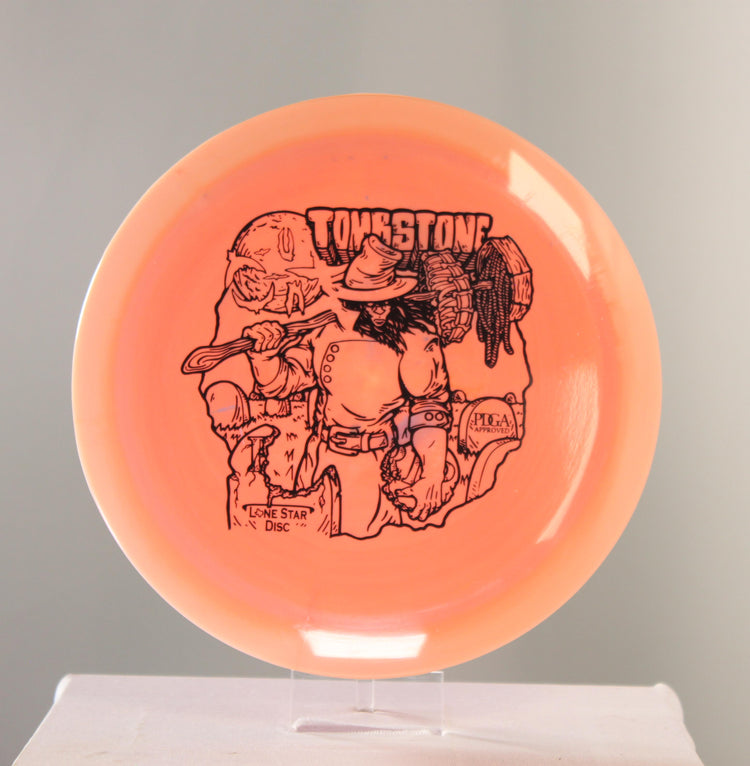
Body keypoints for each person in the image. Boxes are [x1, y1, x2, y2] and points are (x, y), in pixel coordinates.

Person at [243, 235, 452, 538]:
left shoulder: (414, 340)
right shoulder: (324, 334)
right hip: (318, 458)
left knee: (365, 541)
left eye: (385, 300)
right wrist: (265, 356)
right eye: (370, 302)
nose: (379, 310)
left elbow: (429, 410)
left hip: (376, 463)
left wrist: (432, 475)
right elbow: (282, 382)